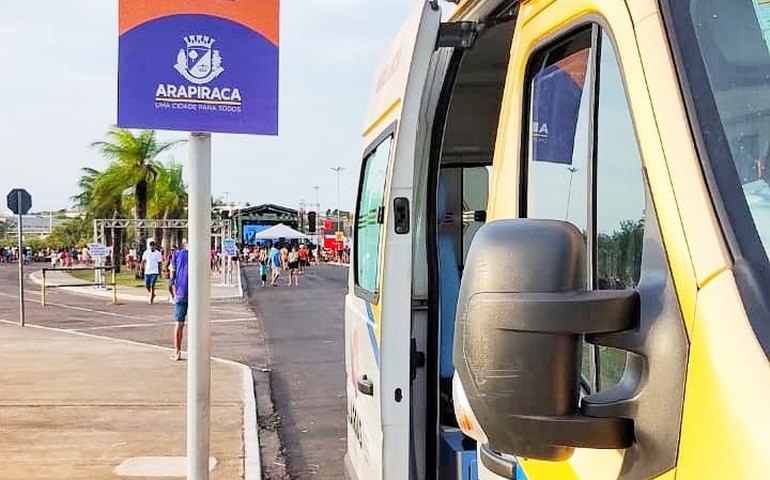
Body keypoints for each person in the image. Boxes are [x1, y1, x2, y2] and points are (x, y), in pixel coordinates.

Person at [169, 241, 189, 361]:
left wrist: (172, 290)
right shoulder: (200, 254)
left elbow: (172, 274)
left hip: (180, 292)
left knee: (179, 323)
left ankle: (177, 352)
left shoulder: (176, 255)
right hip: (196, 294)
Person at [141, 240, 163, 304]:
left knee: (152, 285)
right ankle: (152, 294)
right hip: (147, 271)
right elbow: (143, 261)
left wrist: (160, 272)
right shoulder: (146, 252)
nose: (152, 247)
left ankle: (151, 299)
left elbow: (159, 263)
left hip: (154, 272)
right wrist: (140, 270)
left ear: (155, 246)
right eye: (151, 246)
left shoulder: (158, 253)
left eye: (153, 246)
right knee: (146, 285)